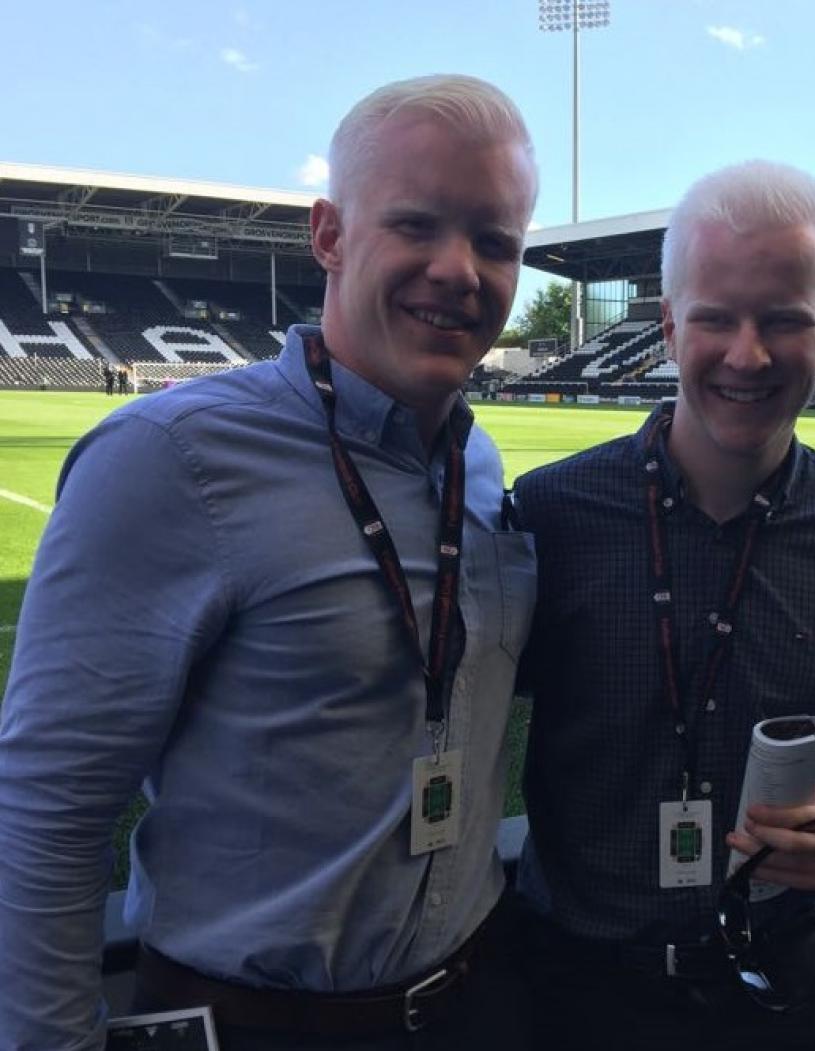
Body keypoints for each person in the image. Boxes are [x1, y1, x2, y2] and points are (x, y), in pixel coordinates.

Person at [0, 74, 539, 1051]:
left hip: (473, 1002)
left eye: (495, 241)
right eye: (417, 225)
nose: (459, 269)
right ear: (329, 234)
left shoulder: (481, 465)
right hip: (256, 1025)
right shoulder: (167, 459)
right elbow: (45, 805)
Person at [513, 161, 815, 1051]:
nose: (747, 355)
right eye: (714, 318)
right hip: (568, 997)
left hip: (778, 994)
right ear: (670, 327)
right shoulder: (549, 515)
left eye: (784, 319)